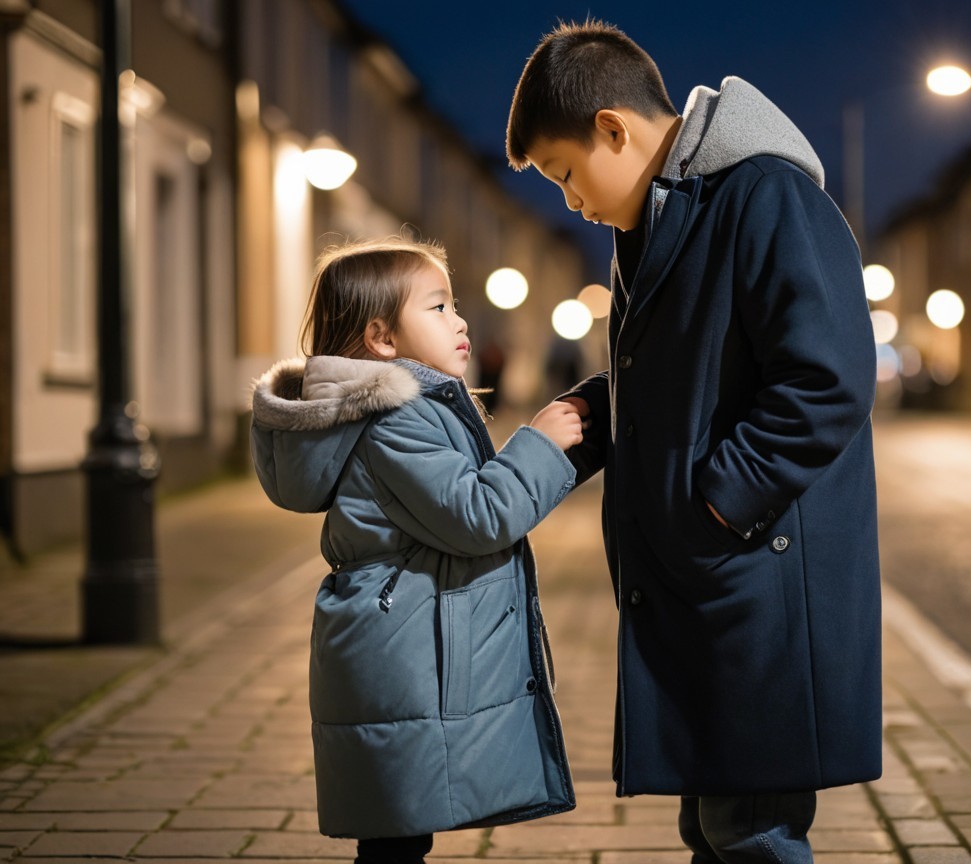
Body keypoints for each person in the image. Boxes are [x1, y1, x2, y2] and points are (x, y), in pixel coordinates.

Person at [505, 20, 882, 864]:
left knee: (748, 830)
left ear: (614, 127)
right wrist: (591, 416)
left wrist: (718, 500)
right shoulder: (663, 220)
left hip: (762, 579)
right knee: (714, 824)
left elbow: (826, 380)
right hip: (718, 582)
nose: (568, 200)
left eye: (566, 173)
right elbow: (694, 372)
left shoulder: (764, 197)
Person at [249, 237, 582, 864]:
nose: (460, 321)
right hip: (404, 651)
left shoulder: (411, 408)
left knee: (397, 834)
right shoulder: (394, 420)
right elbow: (478, 515)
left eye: (454, 305)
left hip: (398, 644)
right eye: (437, 307)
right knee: (394, 839)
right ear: (381, 338)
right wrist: (537, 445)